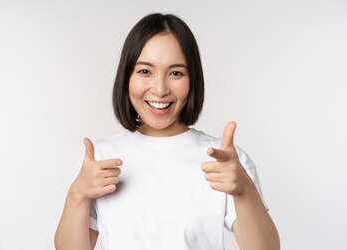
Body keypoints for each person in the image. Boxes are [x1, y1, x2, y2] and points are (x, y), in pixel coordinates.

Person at [54, 13, 280, 250]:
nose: (160, 89)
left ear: (192, 80)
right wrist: (77, 195)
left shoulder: (222, 160)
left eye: (176, 73)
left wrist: (244, 189)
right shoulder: (100, 159)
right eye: (145, 71)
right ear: (126, 77)